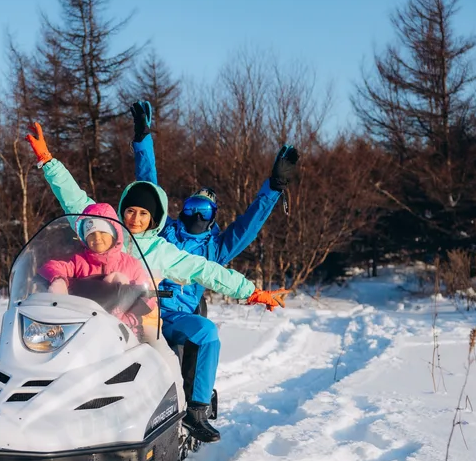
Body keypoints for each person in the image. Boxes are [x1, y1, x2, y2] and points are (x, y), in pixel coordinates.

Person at [25, 122, 288, 443]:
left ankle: (194, 408)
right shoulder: (109, 231)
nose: (135, 218)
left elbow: (209, 271)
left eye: (143, 214)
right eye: (131, 211)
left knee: (204, 333)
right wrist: (48, 161)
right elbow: (76, 201)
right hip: (105, 313)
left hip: (156, 317)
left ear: (155, 219)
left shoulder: (165, 249)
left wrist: (253, 292)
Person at [127, 101, 300, 440]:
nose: (195, 214)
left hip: (174, 318)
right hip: (136, 305)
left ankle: (196, 410)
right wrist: (143, 140)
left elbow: (249, 224)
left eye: (203, 209)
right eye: (191, 206)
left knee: (206, 332)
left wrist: (274, 187)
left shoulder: (216, 247)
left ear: (212, 215)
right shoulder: (163, 230)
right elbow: (148, 187)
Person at [39, 202, 152, 332]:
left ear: (114, 233)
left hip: (123, 330)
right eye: (91, 234)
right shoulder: (79, 261)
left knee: (154, 347)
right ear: (84, 238)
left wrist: (140, 298)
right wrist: (58, 280)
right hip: (83, 327)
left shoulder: (132, 264)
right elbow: (52, 266)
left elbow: (149, 298)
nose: (97, 238)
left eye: (103, 232)